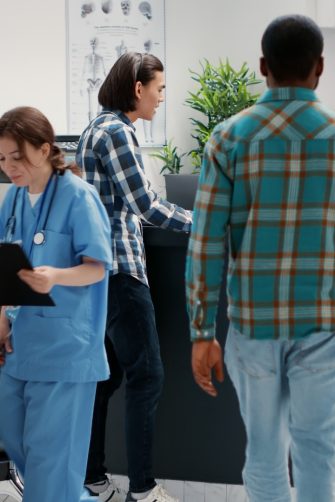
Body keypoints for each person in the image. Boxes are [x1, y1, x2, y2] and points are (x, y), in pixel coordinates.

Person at [186, 14, 335, 502]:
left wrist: (202, 332)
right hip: (324, 323)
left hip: (253, 324)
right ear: (320, 68)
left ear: (263, 66)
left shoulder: (230, 138)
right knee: (318, 450)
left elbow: (206, 240)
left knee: (265, 453)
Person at [76, 51, 192, 502]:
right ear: (138, 88)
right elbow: (145, 204)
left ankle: (94, 478)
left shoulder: (95, 128)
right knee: (148, 377)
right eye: (159, 89)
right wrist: (199, 221)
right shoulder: (118, 132)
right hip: (122, 272)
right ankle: (142, 491)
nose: (162, 98)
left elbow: (118, 204)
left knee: (105, 380)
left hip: (101, 272)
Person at [0, 106, 112, 502]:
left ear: (45, 149)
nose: (9, 167)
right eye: (1, 158)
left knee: (51, 465)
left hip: (67, 349)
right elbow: (5, 266)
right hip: (21, 346)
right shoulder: (12, 201)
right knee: (16, 437)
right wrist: (0, 315)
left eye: (18, 157)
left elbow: (97, 268)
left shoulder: (78, 197)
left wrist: (56, 276)